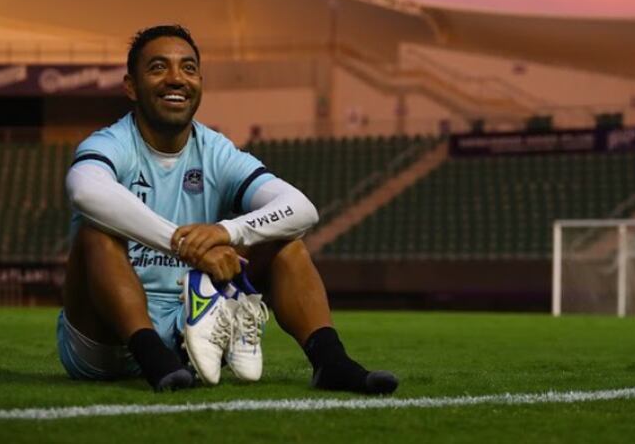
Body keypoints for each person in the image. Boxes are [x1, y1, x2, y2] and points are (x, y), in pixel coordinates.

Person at [57, 24, 399, 394]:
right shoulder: (112, 143)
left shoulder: (216, 151)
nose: (176, 78)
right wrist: (181, 243)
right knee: (96, 231)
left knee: (287, 241)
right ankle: (152, 355)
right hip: (104, 340)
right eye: (158, 68)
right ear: (130, 86)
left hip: (188, 327)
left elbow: (302, 208)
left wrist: (227, 232)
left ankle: (331, 362)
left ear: (200, 82)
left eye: (188, 68)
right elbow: (85, 192)